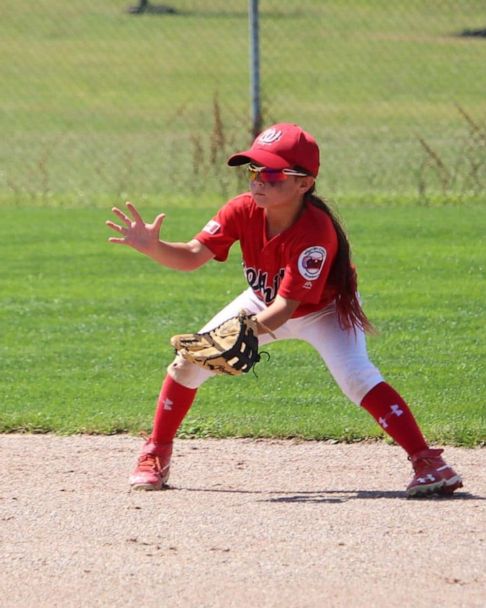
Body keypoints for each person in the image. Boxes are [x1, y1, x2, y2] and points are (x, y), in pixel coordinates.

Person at [106, 122, 463, 497]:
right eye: (254, 171)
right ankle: (155, 454)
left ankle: (429, 463)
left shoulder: (314, 232)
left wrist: (242, 331)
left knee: (357, 377)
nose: (259, 181)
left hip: (323, 310)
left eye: (274, 174)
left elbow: (286, 307)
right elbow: (193, 257)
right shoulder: (241, 210)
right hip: (264, 301)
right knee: (187, 363)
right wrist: (153, 247)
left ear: (304, 184)